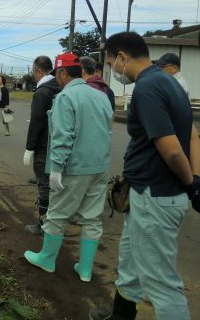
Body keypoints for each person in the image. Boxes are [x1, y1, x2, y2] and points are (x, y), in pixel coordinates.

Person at [89, 32, 200, 320]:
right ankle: (121, 315)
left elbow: (173, 151)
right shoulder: (171, 84)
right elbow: (193, 137)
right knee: (130, 265)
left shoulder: (148, 88)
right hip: (147, 195)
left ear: (123, 57)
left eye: (112, 62)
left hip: (156, 197)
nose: (114, 69)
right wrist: (196, 179)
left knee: (162, 283)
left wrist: (190, 184)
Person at [24, 52, 113, 284]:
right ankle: (85, 269)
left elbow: (63, 136)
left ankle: (47, 258)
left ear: (63, 73)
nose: (57, 80)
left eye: (58, 74)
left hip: (74, 167)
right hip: (100, 166)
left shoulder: (66, 97)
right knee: (92, 219)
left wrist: (56, 169)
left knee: (56, 214)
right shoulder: (101, 95)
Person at [23, 56, 60, 234]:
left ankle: (43, 225)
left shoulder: (42, 92)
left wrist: (29, 147)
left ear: (38, 71)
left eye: (33, 72)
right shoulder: (60, 87)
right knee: (56, 185)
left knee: (44, 185)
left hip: (44, 145)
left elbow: (36, 122)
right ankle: (55, 223)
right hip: (59, 143)